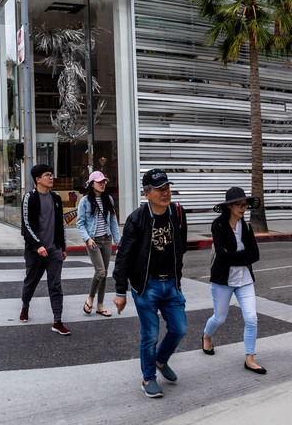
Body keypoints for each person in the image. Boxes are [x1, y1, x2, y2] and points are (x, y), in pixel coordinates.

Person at [113, 169, 190, 398]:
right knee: (150, 335)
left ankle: (160, 360)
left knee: (180, 329)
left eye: (167, 188)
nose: (166, 193)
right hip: (146, 287)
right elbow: (124, 255)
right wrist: (120, 291)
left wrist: (177, 278)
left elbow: (180, 247)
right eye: (159, 189)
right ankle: (148, 378)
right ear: (147, 194)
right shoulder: (137, 219)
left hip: (171, 285)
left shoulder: (177, 213)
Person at [203, 187, 266, 375]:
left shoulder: (246, 227)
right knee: (219, 318)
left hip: (245, 279)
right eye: (240, 204)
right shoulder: (218, 226)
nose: (243, 208)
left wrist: (234, 256)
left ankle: (250, 359)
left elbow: (255, 255)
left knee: (252, 318)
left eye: (245, 204)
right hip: (223, 280)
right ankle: (207, 336)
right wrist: (241, 256)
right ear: (229, 206)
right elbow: (221, 256)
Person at [21, 164, 71, 336]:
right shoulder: (30, 197)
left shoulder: (56, 198)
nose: (51, 178)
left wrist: (63, 247)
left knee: (55, 285)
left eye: (51, 174)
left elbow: (60, 225)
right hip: (35, 251)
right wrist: (38, 245)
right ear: (38, 179)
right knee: (31, 282)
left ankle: (57, 321)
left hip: (54, 250)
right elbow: (26, 226)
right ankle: (25, 305)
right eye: (47, 175)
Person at [76, 172, 120, 316]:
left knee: (104, 273)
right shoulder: (85, 201)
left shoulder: (108, 199)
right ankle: (90, 298)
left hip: (106, 240)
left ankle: (100, 306)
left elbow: (113, 221)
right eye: (99, 182)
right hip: (93, 241)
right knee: (100, 271)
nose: (102, 184)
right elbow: (80, 223)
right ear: (91, 184)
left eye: (104, 182)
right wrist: (87, 239)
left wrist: (118, 241)